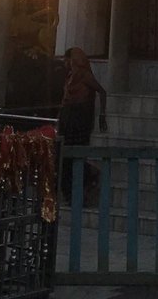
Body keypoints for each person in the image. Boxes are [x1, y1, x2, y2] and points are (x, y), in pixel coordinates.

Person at [58, 47, 107, 201]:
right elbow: (65, 99)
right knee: (64, 156)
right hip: (67, 119)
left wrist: (102, 116)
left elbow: (102, 91)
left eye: (68, 61)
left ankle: (84, 183)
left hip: (79, 119)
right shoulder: (70, 76)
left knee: (75, 156)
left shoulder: (84, 75)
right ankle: (68, 192)